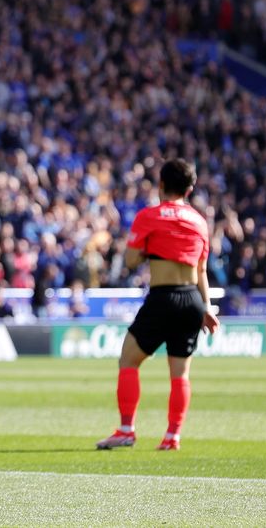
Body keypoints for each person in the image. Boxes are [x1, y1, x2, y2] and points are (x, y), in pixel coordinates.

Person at [96, 159, 219, 452]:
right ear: (189, 189)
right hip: (192, 299)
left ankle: (126, 430)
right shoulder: (199, 222)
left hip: (163, 296)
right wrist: (208, 307)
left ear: (161, 185)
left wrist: (149, 250)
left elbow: (130, 260)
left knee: (128, 359)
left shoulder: (149, 217)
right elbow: (202, 270)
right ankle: (172, 436)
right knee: (180, 373)